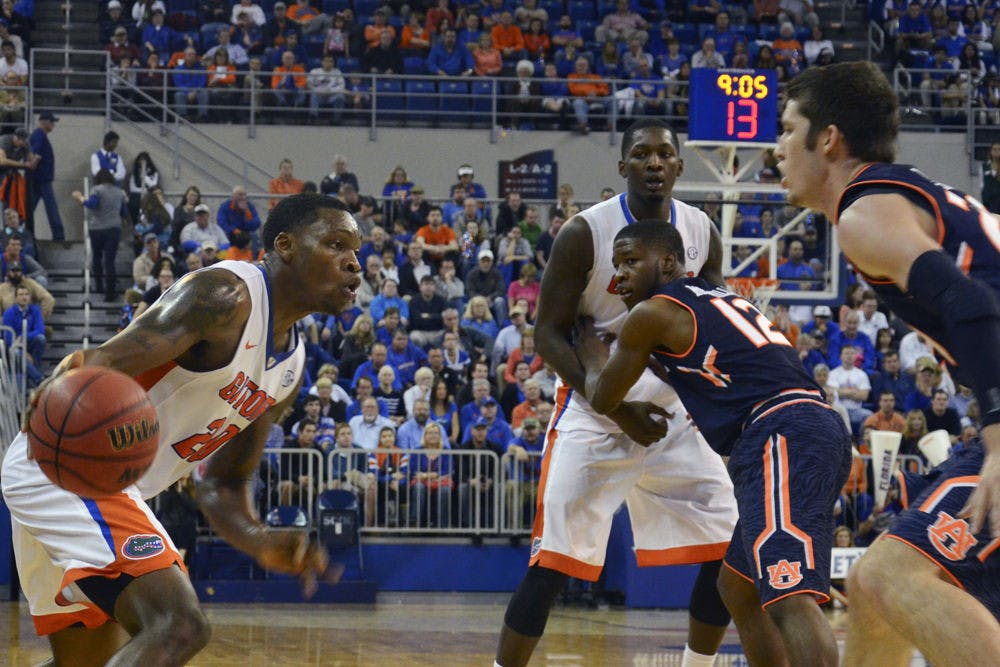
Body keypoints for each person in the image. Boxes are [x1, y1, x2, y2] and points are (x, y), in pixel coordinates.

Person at [1, 193, 361, 664]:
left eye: (355, 251)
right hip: (70, 466)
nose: (354, 263)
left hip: (97, 486)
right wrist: (59, 389)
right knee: (179, 625)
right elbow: (107, 359)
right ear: (287, 246)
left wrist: (259, 539)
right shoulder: (225, 296)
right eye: (336, 244)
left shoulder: (289, 369)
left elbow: (224, 483)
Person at [776, 61, 1000, 665]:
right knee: (876, 591)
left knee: (885, 578)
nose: (776, 148)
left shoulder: (864, 213)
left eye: (785, 129)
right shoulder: (900, 194)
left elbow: (972, 306)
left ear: (828, 139)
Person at [495, 119, 739, 667]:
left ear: (679, 165)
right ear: (622, 165)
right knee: (554, 562)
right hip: (594, 408)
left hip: (677, 410)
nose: (654, 162)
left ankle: (695, 665)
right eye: (642, 153)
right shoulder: (585, 233)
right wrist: (614, 405)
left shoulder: (703, 231)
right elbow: (549, 333)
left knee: (733, 545)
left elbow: (715, 322)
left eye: (665, 154)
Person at [577, 220, 852, 665]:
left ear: (668, 262)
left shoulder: (652, 313)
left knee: (787, 591)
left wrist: (590, 350)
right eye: (616, 265)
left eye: (630, 261)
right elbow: (697, 370)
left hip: (780, 433)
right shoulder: (716, 298)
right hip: (806, 428)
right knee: (737, 587)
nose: (618, 276)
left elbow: (604, 395)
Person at [71, 169, 129, 301]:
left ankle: (98, 286)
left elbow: (91, 204)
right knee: (110, 261)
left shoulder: (96, 190)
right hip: (114, 228)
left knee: (97, 257)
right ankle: (110, 293)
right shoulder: (120, 193)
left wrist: (80, 197)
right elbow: (124, 213)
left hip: (97, 228)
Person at [27, 111, 63, 241]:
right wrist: (34, 163)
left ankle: (21, 231)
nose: (53, 124)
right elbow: (34, 155)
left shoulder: (39, 135)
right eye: (52, 121)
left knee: (29, 209)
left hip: (38, 178)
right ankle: (59, 237)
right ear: (44, 122)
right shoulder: (40, 136)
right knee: (51, 209)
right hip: (42, 179)